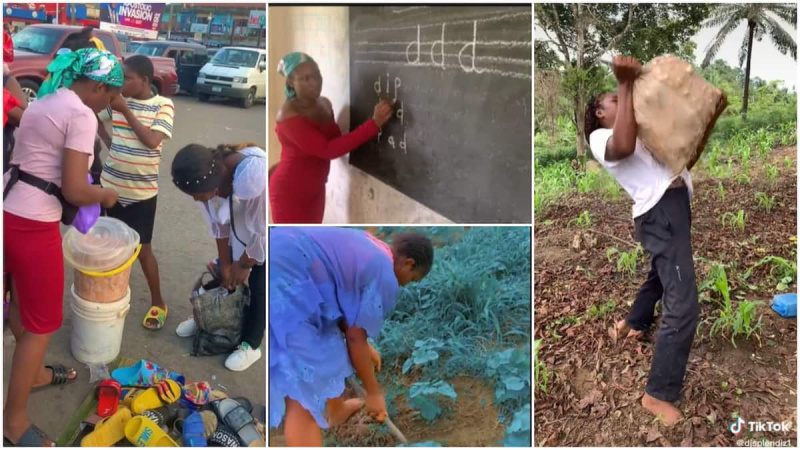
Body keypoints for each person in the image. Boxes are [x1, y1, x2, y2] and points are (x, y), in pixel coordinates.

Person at [3, 47, 122, 447]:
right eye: (110, 97)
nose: (108, 106)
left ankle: (32, 374)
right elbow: (74, 188)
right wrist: (105, 195)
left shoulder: (45, 100)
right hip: (34, 226)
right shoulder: (81, 115)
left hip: (9, 208)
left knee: (21, 307)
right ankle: (14, 423)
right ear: (99, 86)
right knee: (43, 325)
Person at [585, 55, 699, 426]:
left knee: (660, 274)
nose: (624, 103)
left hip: (673, 207)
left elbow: (680, 154)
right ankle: (657, 394)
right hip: (660, 212)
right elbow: (621, 147)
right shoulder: (602, 137)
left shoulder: (641, 131)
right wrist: (624, 82)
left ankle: (632, 323)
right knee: (683, 304)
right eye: (614, 102)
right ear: (600, 114)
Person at [269, 227, 434, 446]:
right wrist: (374, 394)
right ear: (409, 263)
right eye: (412, 279)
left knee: (329, 339)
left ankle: (337, 410)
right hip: (285, 280)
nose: (406, 284)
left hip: (286, 254)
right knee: (302, 400)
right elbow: (356, 338)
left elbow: (348, 320)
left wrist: (365, 349)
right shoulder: (386, 275)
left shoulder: (374, 247)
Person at [171, 142, 266, 371]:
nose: (196, 200)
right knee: (222, 275)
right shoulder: (211, 180)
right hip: (244, 230)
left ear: (215, 182)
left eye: (199, 195)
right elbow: (219, 225)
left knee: (259, 284)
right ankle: (209, 320)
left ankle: (251, 344)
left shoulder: (253, 179)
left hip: (270, 231)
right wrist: (225, 263)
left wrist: (244, 264)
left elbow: (263, 232)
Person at [269, 52, 395, 223]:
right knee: (293, 239)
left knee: (312, 238)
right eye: (306, 78)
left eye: (317, 75)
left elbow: (334, 140)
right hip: (290, 193)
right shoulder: (288, 115)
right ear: (291, 82)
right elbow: (328, 149)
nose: (315, 82)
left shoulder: (325, 104)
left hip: (316, 189)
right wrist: (373, 124)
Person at [99, 55, 175, 331]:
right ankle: (112, 297)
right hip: (111, 188)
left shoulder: (162, 105)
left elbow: (152, 140)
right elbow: (93, 116)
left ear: (144, 80)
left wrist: (125, 110)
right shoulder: (115, 101)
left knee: (143, 250)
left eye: (127, 77)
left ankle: (158, 301)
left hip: (142, 193)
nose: (121, 82)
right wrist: (109, 143)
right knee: (113, 246)